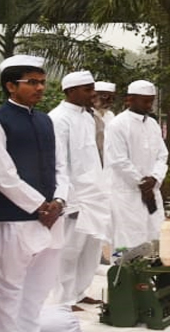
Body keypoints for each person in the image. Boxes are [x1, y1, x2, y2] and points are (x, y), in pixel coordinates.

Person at [0, 55, 70, 332]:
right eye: (32, 82)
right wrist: (39, 205)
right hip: (17, 217)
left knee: (39, 287)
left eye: (42, 82)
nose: (40, 88)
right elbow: (1, 174)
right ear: (10, 86)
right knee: (10, 287)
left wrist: (60, 201)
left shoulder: (45, 120)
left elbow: (62, 166)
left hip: (53, 215)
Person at [50, 71, 111, 308]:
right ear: (70, 91)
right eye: (87, 89)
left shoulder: (88, 117)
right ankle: (63, 298)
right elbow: (60, 162)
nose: (93, 93)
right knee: (69, 249)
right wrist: (67, 197)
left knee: (91, 247)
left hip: (94, 192)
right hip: (74, 194)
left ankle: (79, 291)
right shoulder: (58, 118)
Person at [107, 80, 169, 250]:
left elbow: (162, 155)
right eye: (145, 101)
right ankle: (121, 274)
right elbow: (118, 160)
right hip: (127, 194)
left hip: (152, 191)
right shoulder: (117, 125)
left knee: (155, 236)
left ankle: (148, 275)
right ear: (130, 100)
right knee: (126, 241)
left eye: (152, 101)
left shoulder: (153, 124)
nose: (150, 106)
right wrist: (141, 182)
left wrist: (155, 178)